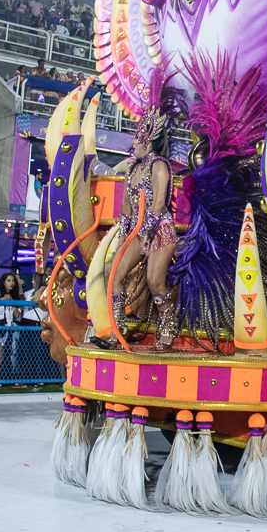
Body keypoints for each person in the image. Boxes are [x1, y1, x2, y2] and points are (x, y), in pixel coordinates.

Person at [92, 84, 182, 351]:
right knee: (113, 274)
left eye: (138, 139)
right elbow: (126, 210)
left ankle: (168, 323)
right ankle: (118, 328)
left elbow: (157, 205)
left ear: (149, 141)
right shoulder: (131, 169)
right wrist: (123, 239)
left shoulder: (159, 166)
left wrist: (144, 235)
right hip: (136, 231)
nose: (133, 143)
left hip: (160, 231)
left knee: (155, 281)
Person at [0, 273, 24, 387]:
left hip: (10, 328)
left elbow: (17, 314)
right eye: (8, 280)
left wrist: (12, 303)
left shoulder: (14, 294)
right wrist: (1, 300)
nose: (11, 283)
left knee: (10, 354)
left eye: (13, 281)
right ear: (3, 282)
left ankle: (2, 378)